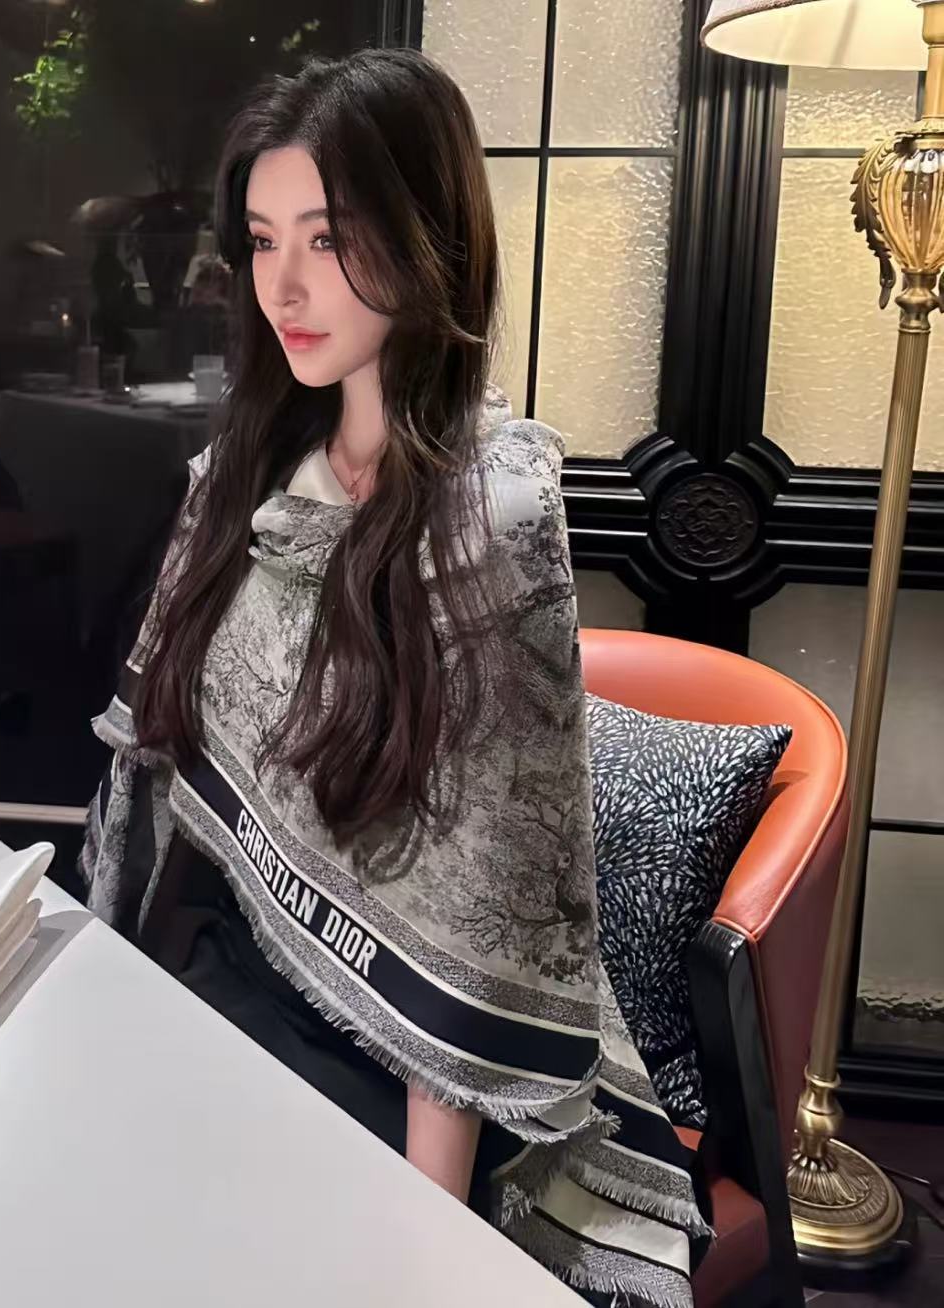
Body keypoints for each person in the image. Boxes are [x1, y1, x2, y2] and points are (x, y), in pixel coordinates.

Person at [80, 48, 711, 1308]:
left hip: (412, 1070)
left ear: (426, 239)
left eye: (329, 238)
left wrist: (427, 1247)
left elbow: (470, 923)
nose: (285, 287)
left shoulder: (490, 523)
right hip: (238, 984)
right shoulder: (244, 477)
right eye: (263, 241)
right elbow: (165, 780)